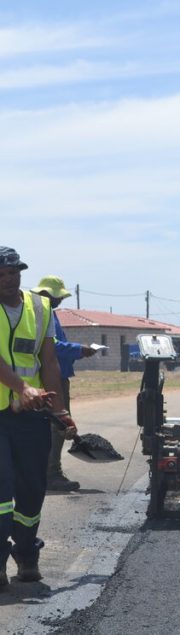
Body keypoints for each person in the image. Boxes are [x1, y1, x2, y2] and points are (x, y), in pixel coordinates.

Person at [0, 246, 75, 589]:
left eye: (12, 273)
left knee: (32, 489)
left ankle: (27, 555)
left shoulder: (40, 307)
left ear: (21, 273)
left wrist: (60, 409)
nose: (7, 279)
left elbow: (49, 362)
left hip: (31, 416)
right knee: (2, 492)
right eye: (1, 274)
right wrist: (20, 388)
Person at [30, 275, 96, 492]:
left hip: (47, 378)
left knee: (47, 429)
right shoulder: (43, 313)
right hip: (52, 379)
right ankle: (52, 474)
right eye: (57, 297)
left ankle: (41, 472)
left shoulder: (40, 312)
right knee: (58, 427)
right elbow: (54, 348)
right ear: (47, 294)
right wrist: (80, 349)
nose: (59, 301)